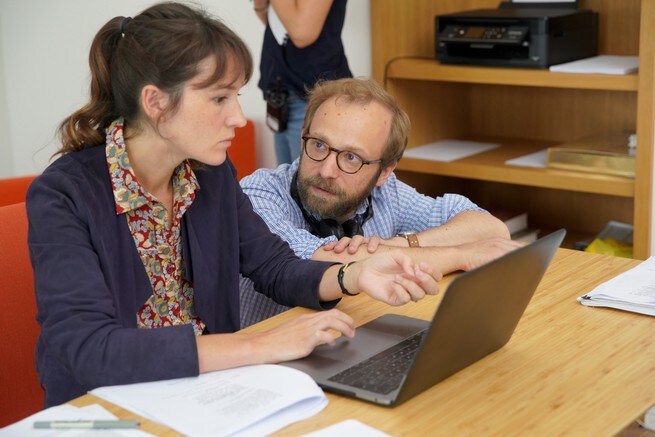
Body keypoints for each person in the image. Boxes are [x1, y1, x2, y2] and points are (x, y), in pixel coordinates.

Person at [26, 3, 440, 408]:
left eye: (236, 96)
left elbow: (275, 267)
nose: (240, 118)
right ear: (156, 103)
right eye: (220, 98)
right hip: (98, 412)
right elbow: (92, 350)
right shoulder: (63, 194)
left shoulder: (209, 175)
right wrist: (257, 344)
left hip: (207, 395)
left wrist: (355, 275)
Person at [239, 77, 521, 327]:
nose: (326, 170)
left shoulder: (388, 192)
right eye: (319, 145)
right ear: (302, 140)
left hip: (346, 340)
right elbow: (315, 264)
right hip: (266, 368)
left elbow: (491, 230)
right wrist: (460, 255)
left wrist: (400, 245)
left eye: (351, 157)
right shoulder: (258, 193)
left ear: (384, 172)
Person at [253, 0, 352, 164]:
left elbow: (301, 33)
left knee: (304, 183)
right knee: (285, 183)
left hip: (311, 92)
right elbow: (276, 21)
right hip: (282, 89)